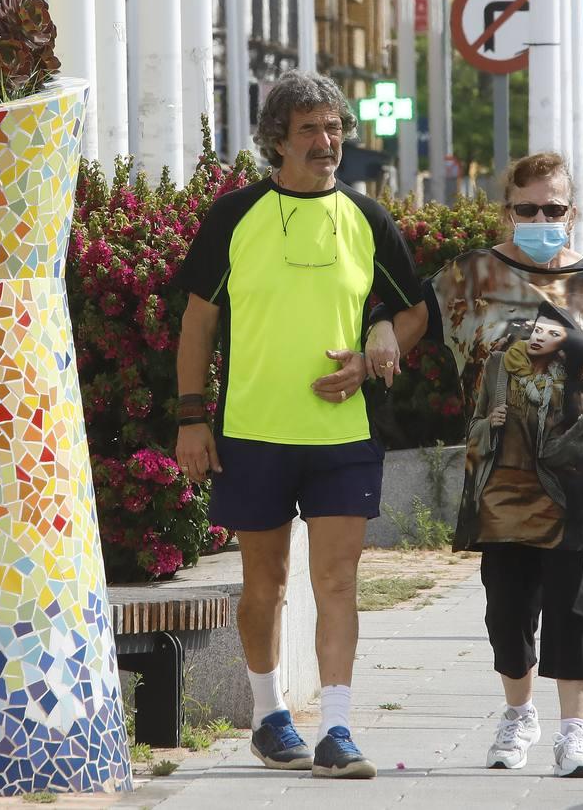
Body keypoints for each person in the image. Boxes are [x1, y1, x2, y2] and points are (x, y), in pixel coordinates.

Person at [365, 152, 583, 779]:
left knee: (575, 606)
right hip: (499, 472)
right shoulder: (469, 276)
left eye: (554, 209)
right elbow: (410, 315)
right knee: (507, 611)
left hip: (578, 469)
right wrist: (378, 329)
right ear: (507, 210)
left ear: (572, 212)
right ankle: (519, 714)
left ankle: (574, 733)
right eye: (527, 208)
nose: (541, 218)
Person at [174, 69, 425, 780]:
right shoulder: (234, 215)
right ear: (276, 141)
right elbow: (197, 321)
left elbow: (414, 310)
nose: (327, 141)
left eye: (335, 128)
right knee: (265, 586)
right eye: (311, 129)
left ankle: (338, 729)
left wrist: (380, 343)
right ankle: (267, 715)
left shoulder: (367, 218)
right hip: (253, 431)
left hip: (344, 437)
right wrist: (192, 418)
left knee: (338, 582)